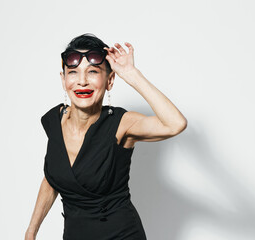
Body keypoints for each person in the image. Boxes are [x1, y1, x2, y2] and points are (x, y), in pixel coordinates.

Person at [25, 33, 187, 240]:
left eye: (93, 71)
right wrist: (31, 231)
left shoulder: (122, 124)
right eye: (73, 72)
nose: (82, 81)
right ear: (63, 79)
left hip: (121, 234)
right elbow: (53, 177)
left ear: (110, 80)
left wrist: (131, 74)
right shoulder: (55, 121)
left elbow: (175, 124)